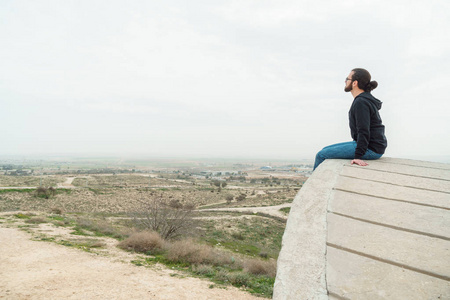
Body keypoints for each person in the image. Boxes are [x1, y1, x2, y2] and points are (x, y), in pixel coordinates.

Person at [313, 68, 387, 170]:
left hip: (371, 149)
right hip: (370, 145)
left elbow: (364, 130)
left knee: (321, 155)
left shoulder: (361, 102)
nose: (345, 81)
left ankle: (317, 185)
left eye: (347, 79)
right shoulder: (364, 99)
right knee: (324, 150)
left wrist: (358, 156)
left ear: (354, 83)